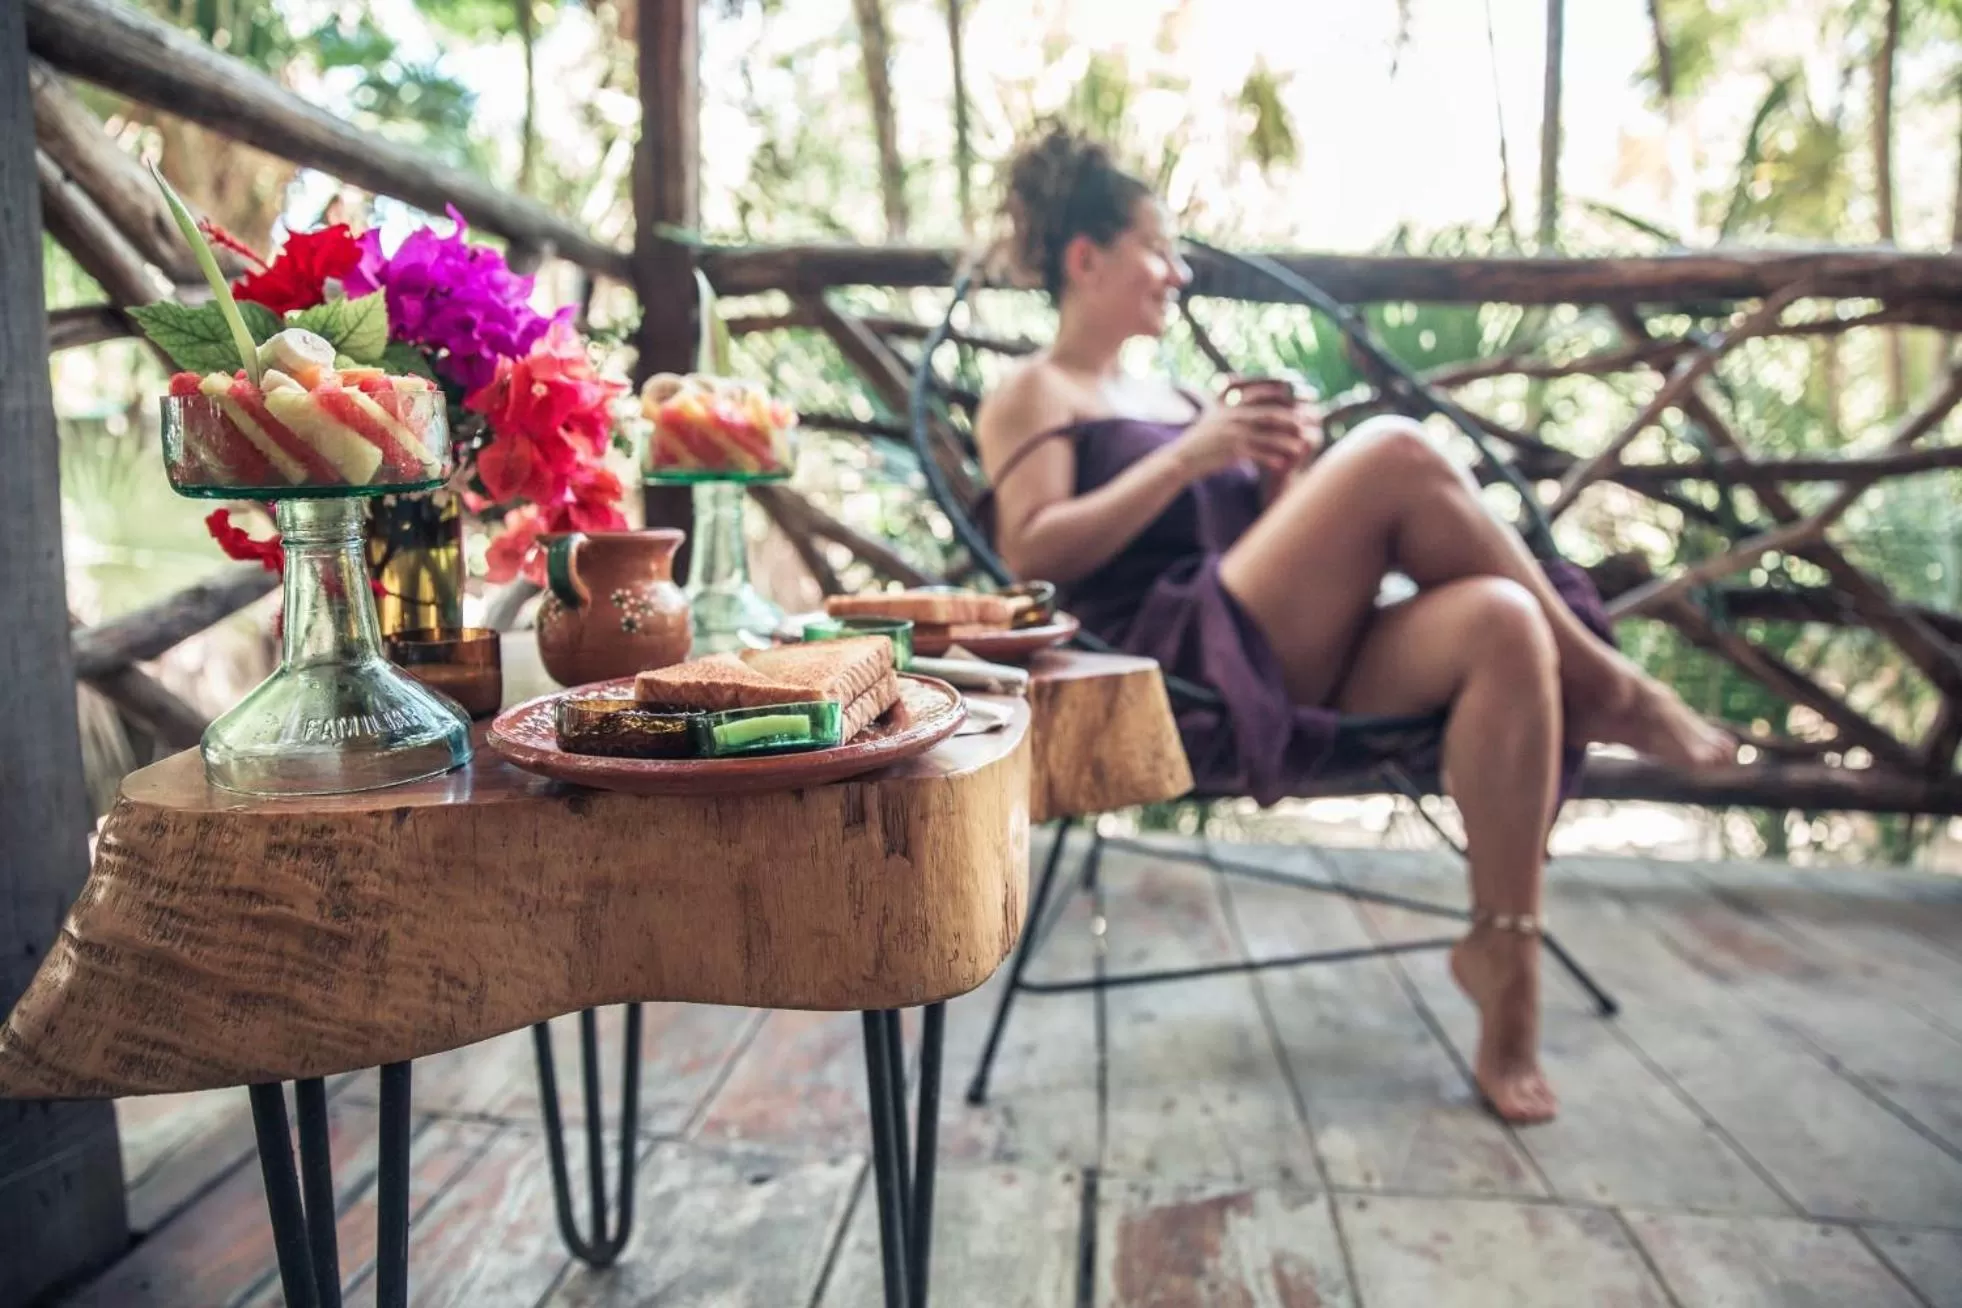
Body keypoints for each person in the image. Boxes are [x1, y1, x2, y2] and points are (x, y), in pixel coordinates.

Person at [972, 124, 1737, 1125]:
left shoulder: (1187, 393)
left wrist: (1285, 476)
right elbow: (1032, 555)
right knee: (1396, 450)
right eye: (1159, 249)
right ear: (1087, 259)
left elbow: (1258, 538)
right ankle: (1612, 688)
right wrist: (1193, 457)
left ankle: (1505, 958)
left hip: (1279, 645)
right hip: (1174, 669)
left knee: (1505, 619)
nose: (1179, 273)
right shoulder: (1034, 391)